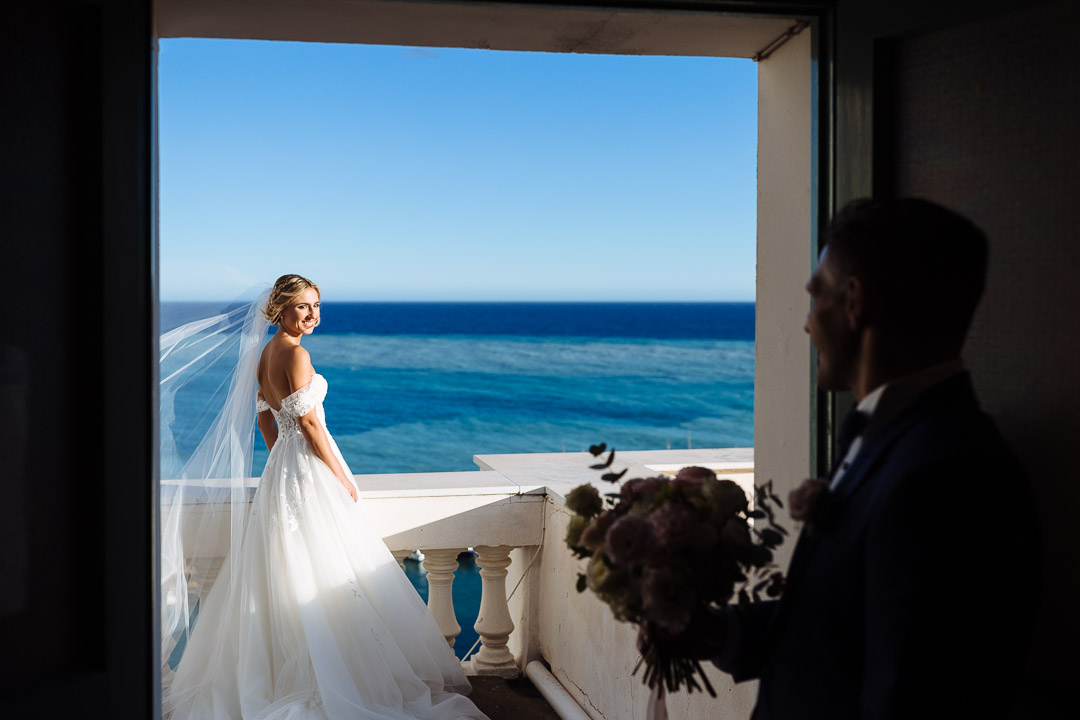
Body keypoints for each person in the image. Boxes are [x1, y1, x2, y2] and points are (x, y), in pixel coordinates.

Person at [712, 199, 1038, 718]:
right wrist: (714, 631)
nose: (807, 324)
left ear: (855, 301)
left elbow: (910, 696)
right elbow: (840, 626)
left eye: (816, 295)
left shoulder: (945, 473)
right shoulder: (898, 441)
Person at [162, 275, 489, 720]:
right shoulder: (296, 354)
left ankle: (284, 673)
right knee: (326, 564)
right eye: (302, 307)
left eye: (316, 305)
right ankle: (333, 678)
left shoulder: (264, 355)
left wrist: (283, 459)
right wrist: (339, 477)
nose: (313, 315)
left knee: (284, 567)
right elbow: (312, 426)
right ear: (280, 311)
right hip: (309, 469)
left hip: (282, 469)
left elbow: (264, 422)